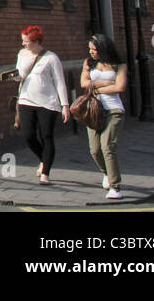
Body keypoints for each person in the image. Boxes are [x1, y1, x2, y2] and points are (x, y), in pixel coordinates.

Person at [14, 24, 70, 184]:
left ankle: (46, 173)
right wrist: (14, 77)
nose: (23, 44)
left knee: (46, 136)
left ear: (37, 41)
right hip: (25, 100)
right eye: (23, 41)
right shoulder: (22, 54)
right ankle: (43, 159)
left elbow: (60, 82)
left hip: (47, 103)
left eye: (26, 41)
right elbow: (20, 74)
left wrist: (65, 105)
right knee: (28, 135)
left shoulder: (51, 58)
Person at [81, 33, 128, 200]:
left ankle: (115, 187)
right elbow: (84, 83)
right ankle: (106, 173)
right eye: (90, 49)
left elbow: (119, 87)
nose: (91, 52)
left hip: (114, 110)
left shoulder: (118, 65)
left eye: (94, 49)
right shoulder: (88, 63)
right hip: (94, 111)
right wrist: (106, 84)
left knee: (107, 146)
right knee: (94, 150)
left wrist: (96, 89)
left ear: (103, 48)